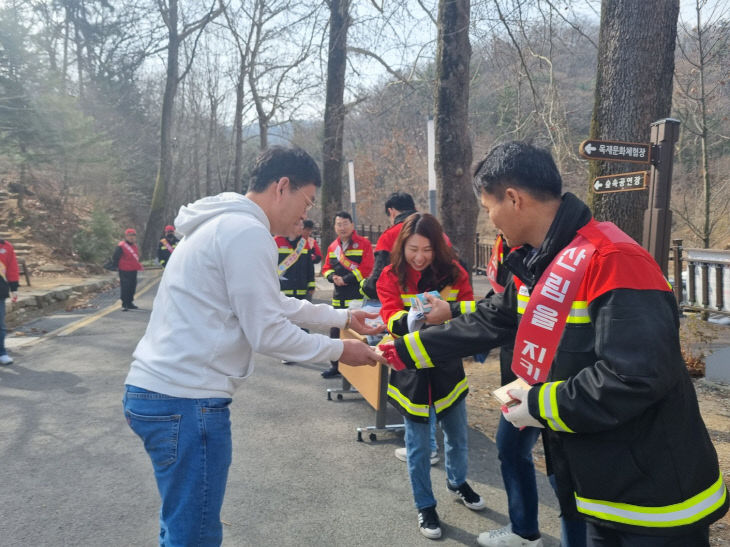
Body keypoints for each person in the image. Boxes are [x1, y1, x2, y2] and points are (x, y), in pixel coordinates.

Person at [379, 141, 728, 547]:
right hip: (597, 485)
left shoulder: (613, 259)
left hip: (653, 500)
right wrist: (406, 349)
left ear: (514, 199)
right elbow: (496, 317)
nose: (491, 221)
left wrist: (539, 404)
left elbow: (635, 376)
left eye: (489, 207)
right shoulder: (539, 260)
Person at [122, 146, 385, 546]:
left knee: (180, 522)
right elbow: (268, 333)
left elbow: (271, 303)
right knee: (195, 534)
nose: (304, 214)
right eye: (306, 201)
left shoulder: (221, 224)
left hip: (159, 391)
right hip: (187, 401)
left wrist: (342, 318)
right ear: (282, 187)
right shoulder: (247, 233)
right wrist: (340, 351)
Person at [377, 212, 485, 539]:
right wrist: (415, 316)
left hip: (447, 365)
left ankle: (457, 480)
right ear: (402, 247)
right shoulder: (390, 276)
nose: (420, 257)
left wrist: (448, 311)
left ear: (437, 247)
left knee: (457, 434)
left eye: (427, 249)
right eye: (412, 249)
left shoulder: (454, 274)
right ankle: (425, 505)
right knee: (419, 445)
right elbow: (388, 316)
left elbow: (472, 310)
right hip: (411, 368)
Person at [360, 191, 441, 465]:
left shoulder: (388, 237)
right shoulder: (434, 233)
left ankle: (424, 447)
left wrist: (365, 288)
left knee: (414, 386)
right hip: (439, 325)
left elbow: (377, 278)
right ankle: (430, 444)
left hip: (406, 325)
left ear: (392, 211)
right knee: (432, 384)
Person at [320, 211, 374, 378]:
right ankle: (336, 366)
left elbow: (366, 268)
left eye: (345, 223)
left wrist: (347, 279)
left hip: (356, 296)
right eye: (338, 224)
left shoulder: (363, 243)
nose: (342, 227)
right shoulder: (332, 247)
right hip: (338, 296)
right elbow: (326, 267)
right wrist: (332, 277)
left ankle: (359, 370)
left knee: (356, 331)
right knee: (336, 331)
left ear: (352, 225)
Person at [111, 228, 143, 311]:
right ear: (126, 236)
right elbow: (115, 257)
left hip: (133, 269)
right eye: (130, 235)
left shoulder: (134, 246)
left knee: (132, 286)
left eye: (133, 235)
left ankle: (130, 302)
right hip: (124, 270)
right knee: (126, 287)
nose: (131, 237)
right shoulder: (121, 246)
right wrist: (115, 266)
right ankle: (125, 303)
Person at [0, 238, 19, 366]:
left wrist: (14, 288)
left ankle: (1, 352)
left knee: (0, 324)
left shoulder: (6, 246)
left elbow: (12, 268)